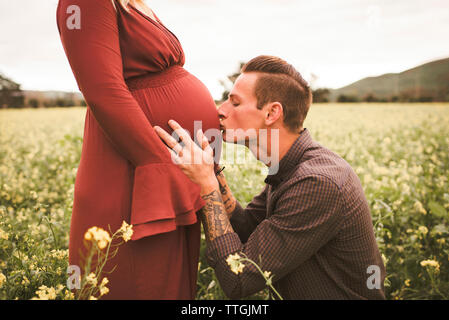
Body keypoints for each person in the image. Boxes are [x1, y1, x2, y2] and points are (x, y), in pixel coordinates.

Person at [155, 55, 386, 299]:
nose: (219, 110)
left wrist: (207, 185)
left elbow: (239, 279)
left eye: (234, 103)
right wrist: (210, 170)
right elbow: (247, 229)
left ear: (271, 113)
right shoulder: (289, 167)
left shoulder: (317, 182)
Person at [56, 0, 220, 299]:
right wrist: (162, 168)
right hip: (137, 169)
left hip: (170, 170)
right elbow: (103, 90)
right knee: (140, 276)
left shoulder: (134, 3)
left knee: (171, 279)